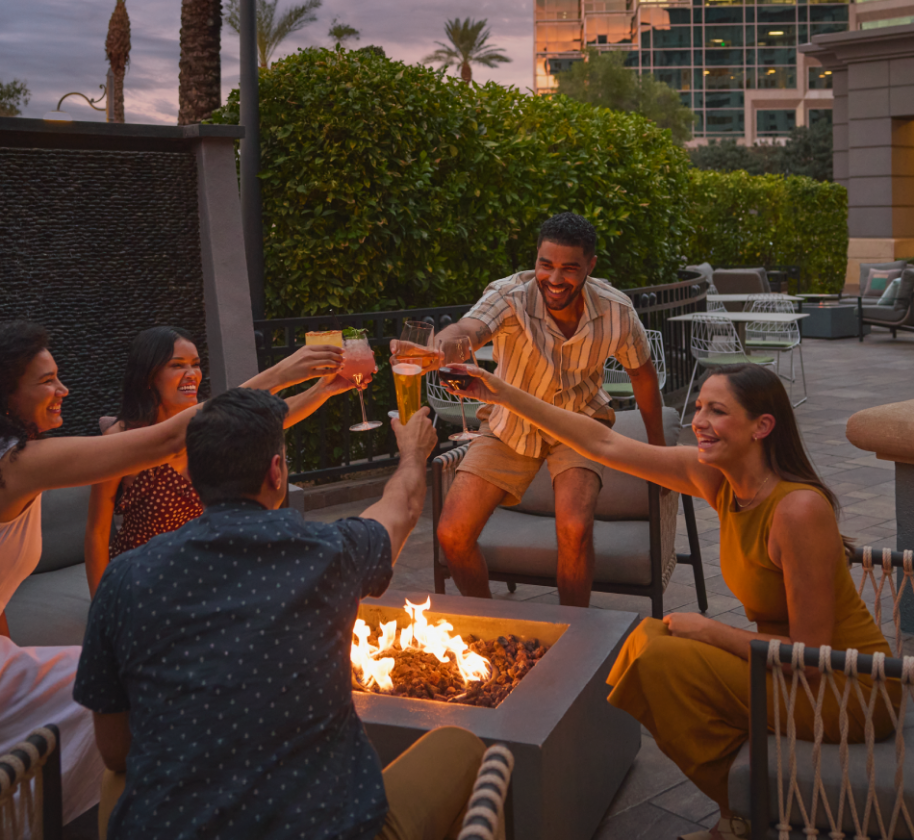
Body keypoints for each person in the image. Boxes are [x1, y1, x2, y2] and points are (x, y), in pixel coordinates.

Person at [448, 361, 897, 837]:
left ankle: (748, 810)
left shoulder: (798, 510)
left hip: (849, 689)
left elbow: (810, 660)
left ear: (762, 426)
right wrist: (502, 394)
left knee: (660, 657)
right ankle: (744, 806)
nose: (698, 421)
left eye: (717, 411)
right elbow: (603, 443)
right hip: (788, 672)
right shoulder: (718, 480)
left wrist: (711, 631)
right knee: (645, 641)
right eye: (699, 406)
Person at [75, 388, 487, 840]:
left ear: (192, 474)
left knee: (118, 779)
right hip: (328, 828)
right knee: (463, 744)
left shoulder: (123, 578)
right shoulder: (329, 553)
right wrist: (412, 452)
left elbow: (114, 749)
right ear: (276, 472)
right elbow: (402, 509)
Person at [0, 318, 345, 825]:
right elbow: (164, 442)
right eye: (47, 380)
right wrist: (281, 371)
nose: (63, 389)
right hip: (139, 591)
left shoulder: (20, 462)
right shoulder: (16, 465)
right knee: (140, 694)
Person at [430, 212, 665, 607]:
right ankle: (492, 623)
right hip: (510, 424)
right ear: (536, 259)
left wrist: (657, 455)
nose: (554, 279)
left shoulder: (617, 311)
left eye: (569, 268)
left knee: (574, 527)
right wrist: (441, 347)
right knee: (452, 532)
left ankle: (573, 630)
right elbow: (468, 330)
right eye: (546, 264)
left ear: (590, 266)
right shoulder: (509, 295)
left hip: (579, 422)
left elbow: (642, 376)